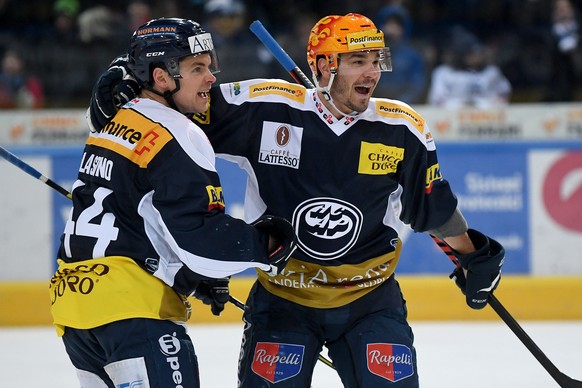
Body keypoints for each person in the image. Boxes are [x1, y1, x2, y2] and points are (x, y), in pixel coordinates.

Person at [89, 13, 505, 388]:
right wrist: (128, 82)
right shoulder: (262, 108)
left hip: (370, 301)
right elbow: (169, 105)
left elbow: (430, 205)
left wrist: (472, 255)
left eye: (376, 60)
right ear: (326, 66)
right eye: (359, 61)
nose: (373, 72)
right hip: (284, 300)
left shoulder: (401, 128)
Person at [50, 17, 296, 388]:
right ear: (162, 78)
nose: (212, 77)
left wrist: (190, 278)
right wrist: (267, 243)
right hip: (133, 316)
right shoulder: (178, 133)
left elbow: (142, 224)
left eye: (210, 65)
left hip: (76, 314)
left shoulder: (112, 124)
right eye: (197, 68)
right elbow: (201, 238)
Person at [427, 26, 512, 108]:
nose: (477, 57)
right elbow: (437, 101)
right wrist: (462, 106)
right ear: (461, 55)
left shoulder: (491, 72)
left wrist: (481, 105)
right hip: (452, 118)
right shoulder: (444, 73)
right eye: (471, 54)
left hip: (487, 118)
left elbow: (503, 97)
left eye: (478, 53)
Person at [373, 4, 427, 104]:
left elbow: (417, 86)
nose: (391, 29)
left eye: (396, 25)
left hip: (404, 107)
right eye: (388, 24)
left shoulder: (412, 56)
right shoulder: (377, 53)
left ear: (404, 28)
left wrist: (399, 105)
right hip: (376, 107)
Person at [543, 0, 581, 102]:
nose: (563, 12)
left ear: (572, 11)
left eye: (566, 8)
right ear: (554, 13)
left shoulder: (579, 31)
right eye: (559, 9)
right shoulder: (548, 35)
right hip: (556, 89)